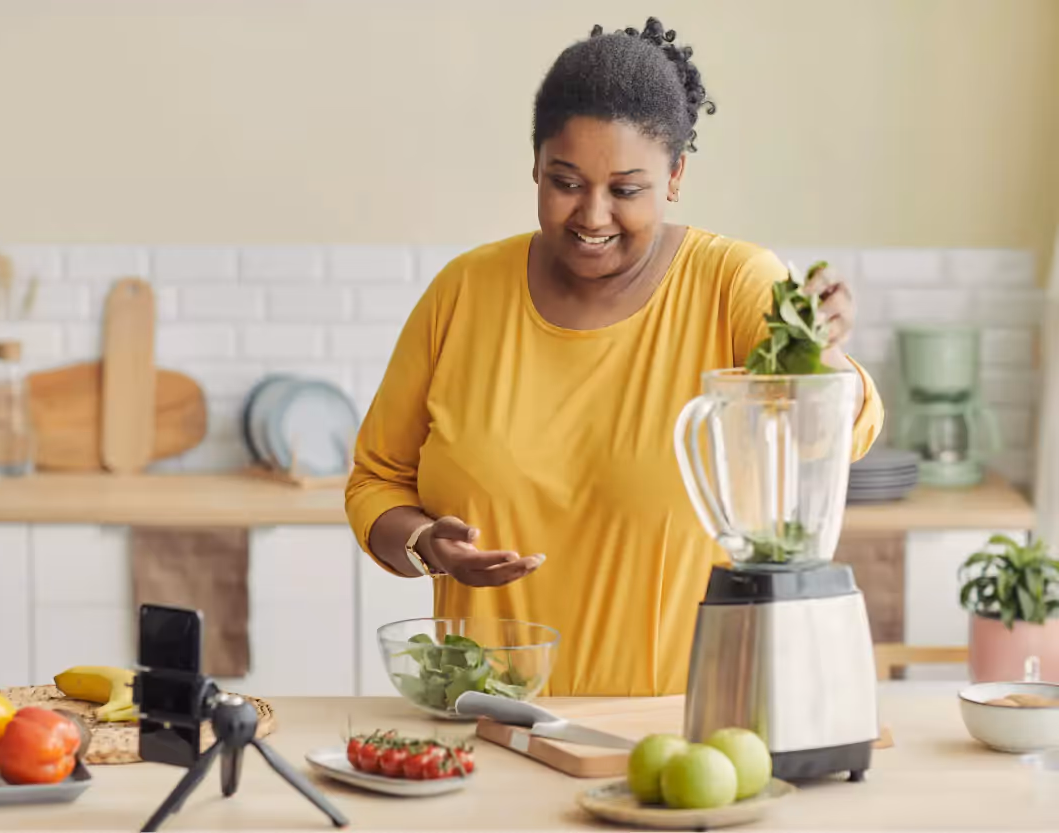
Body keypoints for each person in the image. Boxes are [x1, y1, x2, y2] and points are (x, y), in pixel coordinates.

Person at [344, 16, 883, 696]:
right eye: (566, 181)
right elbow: (376, 481)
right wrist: (426, 544)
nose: (592, 215)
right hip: (487, 722)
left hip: (687, 735)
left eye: (626, 189)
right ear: (535, 162)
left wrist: (817, 348)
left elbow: (840, 432)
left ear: (675, 174)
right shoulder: (463, 292)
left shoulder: (733, 284)